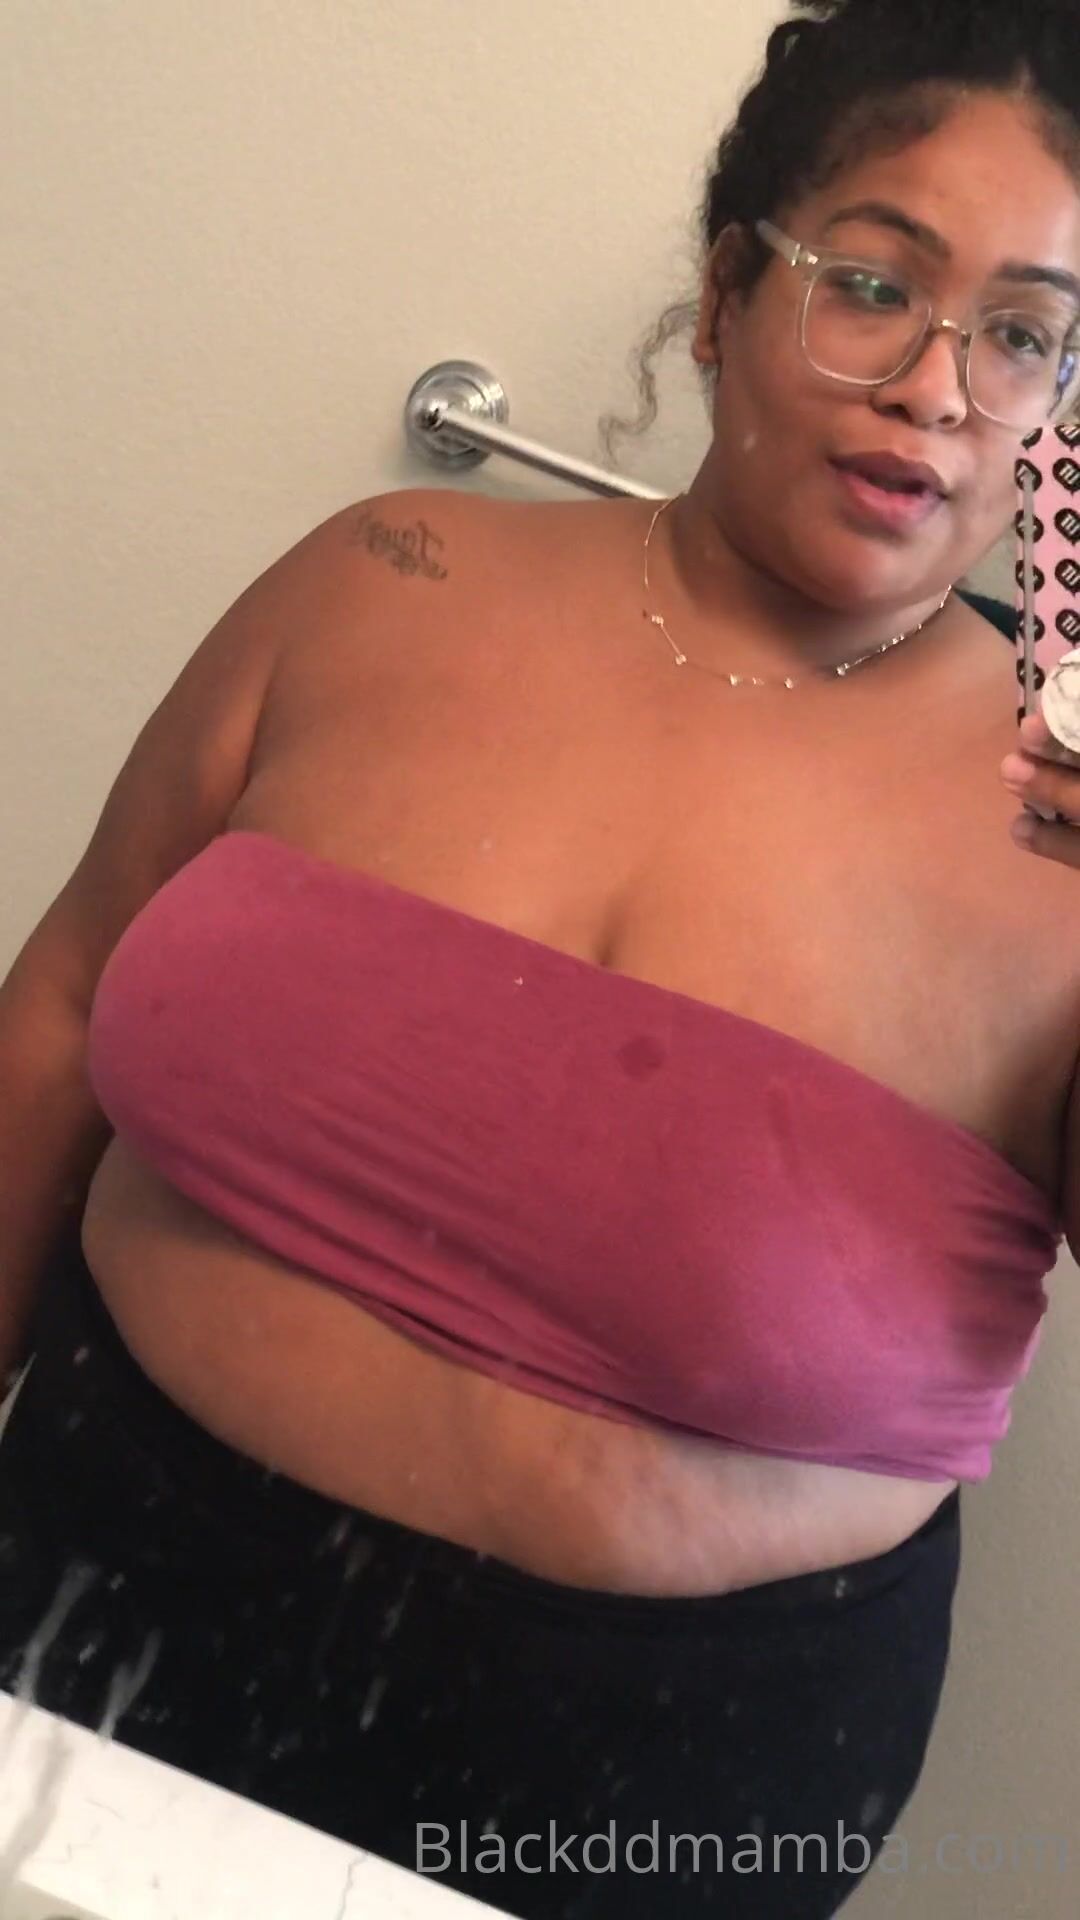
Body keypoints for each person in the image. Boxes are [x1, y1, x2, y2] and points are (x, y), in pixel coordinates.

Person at [3, 0, 1080, 1913]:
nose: (939, 388)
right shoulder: (378, 585)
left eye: (1021, 335)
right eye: (872, 284)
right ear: (726, 291)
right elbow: (67, 1001)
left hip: (663, 1793)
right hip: (88, 1605)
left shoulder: (1060, 830)